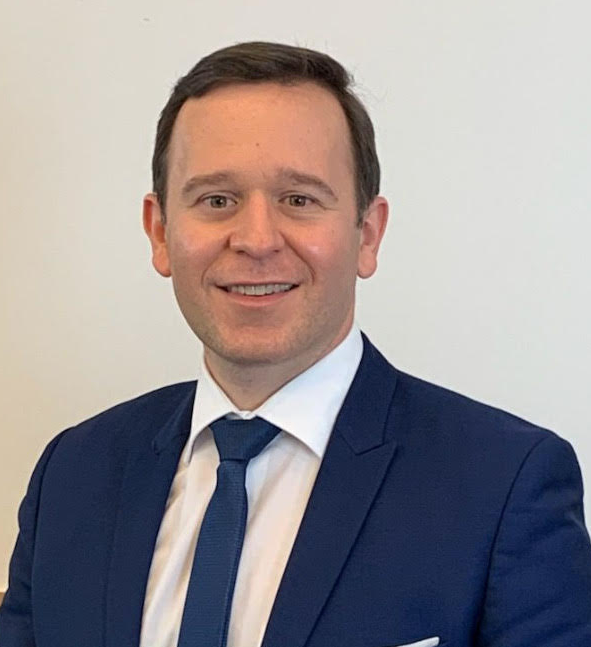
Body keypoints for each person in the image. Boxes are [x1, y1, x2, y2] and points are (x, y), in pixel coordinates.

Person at [1, 41, 590, 647]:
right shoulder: (71, 475)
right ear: (160, 232)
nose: (256, 239)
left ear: (367, 234)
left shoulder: (504, 485)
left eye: (299, 200)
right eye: (217, 200)